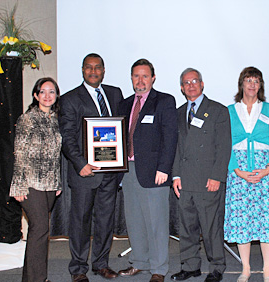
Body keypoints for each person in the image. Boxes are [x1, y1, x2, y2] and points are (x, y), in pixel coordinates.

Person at [59, 53, 124, 282]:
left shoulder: (115, 94)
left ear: (104, 70)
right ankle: (78, 269)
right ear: (82, 70)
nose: (93, 71)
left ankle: (101, 264)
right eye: (89, 67)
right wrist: (80, 163)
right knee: (80, 222)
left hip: (110, 172)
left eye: (97, 67)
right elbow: (67, 137)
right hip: (85, 174)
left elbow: (121, 130)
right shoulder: (69, 99)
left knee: (106, 220)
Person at [117, 59, 178, 282]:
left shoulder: (164, 101)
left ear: (153, 78)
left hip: (155, 172)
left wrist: (164, 168)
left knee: (156, 223)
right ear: (131, 78)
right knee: (134, 220)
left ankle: (159, 268)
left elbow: (171, 137)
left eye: (144, 76)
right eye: (136, 76)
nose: (140, 80)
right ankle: (139, 262)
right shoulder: (124, 104)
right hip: (127, 170)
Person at [224, 67, 269, 282]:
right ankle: (246, 268)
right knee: (242, 221)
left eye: (256, 81)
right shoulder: (231, 111)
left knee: (266, 220)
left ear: (261, 85)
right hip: (239, 170)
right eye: (248, 80)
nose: (252, 84)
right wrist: (237, 170)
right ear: (242, 84)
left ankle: (267, 269)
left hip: (264, 170)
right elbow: (226, 143)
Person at [171, 68, 231, 282]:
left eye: (195, 81)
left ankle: (217, 267)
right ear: (181, 88)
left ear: (202, 84)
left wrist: (217, 176)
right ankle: (190, 265)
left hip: (208, 181)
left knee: (211, 227)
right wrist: (175, 176)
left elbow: (224, 147)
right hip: (185, 181)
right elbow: (175, 147)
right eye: (186, 82)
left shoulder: (218, 110)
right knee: (187, 227)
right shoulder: (178, 113)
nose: (191, 85)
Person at [9, 77, 62, 282]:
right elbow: (20, 153)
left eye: (52, 92)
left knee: (39, 231)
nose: (47, 96)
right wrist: (19, 185)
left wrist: (57, 182)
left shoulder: (55, 119)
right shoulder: (27, 119)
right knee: (40, 229)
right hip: (30, 183)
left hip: (50, 185)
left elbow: (55, 154)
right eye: (43, 91)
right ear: (35, 95)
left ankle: (31, 277)